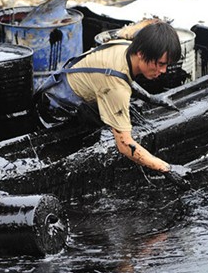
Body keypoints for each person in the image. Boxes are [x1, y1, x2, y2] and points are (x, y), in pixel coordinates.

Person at [34, 20, 191, 187]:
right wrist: (166, 168)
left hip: (68, 90)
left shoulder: (124, 46)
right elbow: (125, 145)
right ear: (141, 52)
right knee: (68, 157)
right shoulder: (116, 88)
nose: (163, 71)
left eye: (166, 65)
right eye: (160, 64)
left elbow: (123, 75)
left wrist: (150, 98)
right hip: (57, 109)